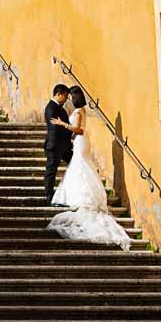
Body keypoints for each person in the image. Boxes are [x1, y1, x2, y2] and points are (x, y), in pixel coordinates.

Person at [47, 86, 133, 251]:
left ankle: (82, 197)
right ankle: (80, 195)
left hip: (80, 140)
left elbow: (78, 130)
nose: (70, 99)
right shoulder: (81, 110)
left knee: (80, 166)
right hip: (81, 142)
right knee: (80, 166)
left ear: (76, 97)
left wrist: (62, 124)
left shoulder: (79, 111)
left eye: (71, 96)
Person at [43, 84, 72, 204]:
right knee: (51, 171)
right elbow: (53, 128)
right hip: (55, 146)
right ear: (58, 94)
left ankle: (71, 191)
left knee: (76, 162)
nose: (66, 98)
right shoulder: (51, 108)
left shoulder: (60, 108)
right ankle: (49, 196)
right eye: (65, 96)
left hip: (64, 146)